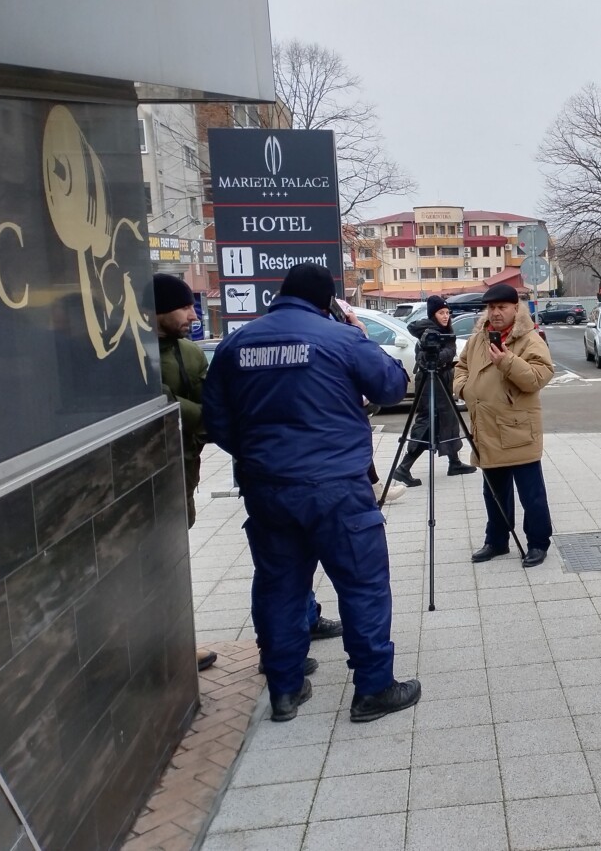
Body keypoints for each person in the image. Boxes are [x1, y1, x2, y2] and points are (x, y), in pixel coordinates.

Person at [203, 264, 420, 724]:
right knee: (362, 585)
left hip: (267, 490)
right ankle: (374, 689)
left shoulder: (237, 343)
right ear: (328, 302)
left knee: (279, 586)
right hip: (336, 489)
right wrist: (360, 332)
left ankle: (285, 689)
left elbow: (218, 422)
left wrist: (261, 458)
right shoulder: (340, 338)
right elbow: (391, 385)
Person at [453, 283, 554, 568]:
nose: (495, 313)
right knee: (493, 491)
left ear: (515, 309)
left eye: (502, 308)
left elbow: (539, 377)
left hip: (517, 428)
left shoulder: (529, 339)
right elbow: (461, 367)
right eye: (491, 308)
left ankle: (537, 543)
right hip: (485, 426)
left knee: (531, 493)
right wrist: (463, 387)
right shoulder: (478, 338)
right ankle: (496, 540)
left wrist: (507, 361)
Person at [152, 274, 219, 674]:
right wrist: (200, 416)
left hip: (184, 470)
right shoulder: (134, 352)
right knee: (157, 560)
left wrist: (196, 414)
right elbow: (159, 402)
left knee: (176, 557)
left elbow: (206, 404)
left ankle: (178, 641)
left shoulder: (191, 353)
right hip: (147, 473)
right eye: (185, 307)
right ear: (158, 309)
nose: (193, 314)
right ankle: (169, 644)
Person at [390, 296, 476, 486]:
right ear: (433, 314)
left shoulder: (444, 331)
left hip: (442, 379)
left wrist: (444, 355)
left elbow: (449, 351)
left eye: (447, 313)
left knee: (449, 417)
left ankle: (454, 462)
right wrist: (439, 354)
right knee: (428, 422)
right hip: (430, 381)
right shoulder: (428, 333)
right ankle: (403, 468)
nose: (445, 316)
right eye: (441, 313)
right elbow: (425, 358)